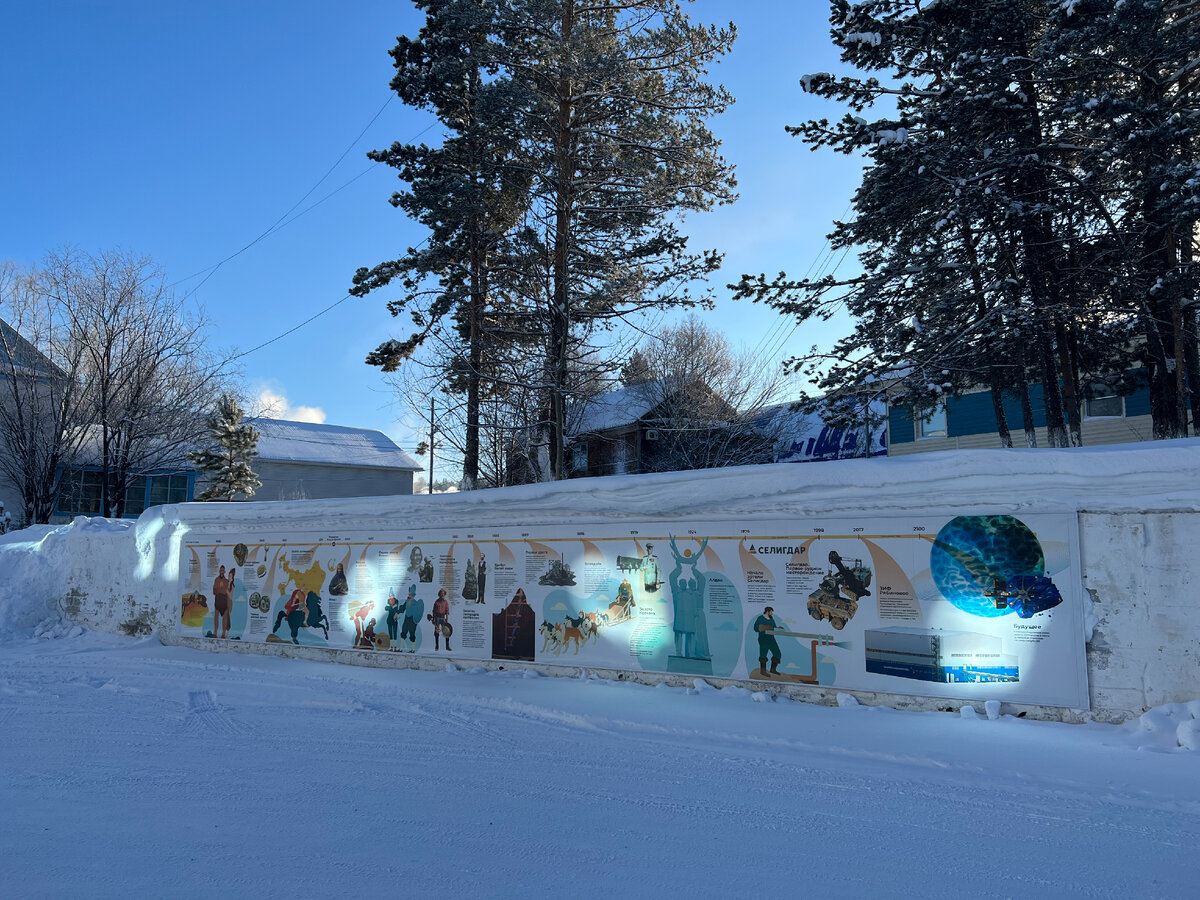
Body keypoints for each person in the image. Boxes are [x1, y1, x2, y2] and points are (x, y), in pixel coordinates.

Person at [753, 606, 783, 678]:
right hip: (763, 638)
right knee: (763, 654)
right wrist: (764, 627)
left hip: (771, 638)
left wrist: (777, 627)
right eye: (771, 612)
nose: (772, 613)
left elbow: (773, 626)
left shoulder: (771, 618)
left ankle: (773, 669)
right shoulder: (760, 618)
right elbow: (756, 628)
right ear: (767, 611)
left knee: (777, 653)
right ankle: (763, 671)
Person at [400, 585, 424, 653]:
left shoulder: (415, 603)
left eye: (409, 594)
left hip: (412, 620)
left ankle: (413, 649)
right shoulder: (407, 601)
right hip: (406, 618)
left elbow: (418, 610)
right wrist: (398, 612)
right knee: (403, 632)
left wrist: (415, 619)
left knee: (412, 634)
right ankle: (400, 648)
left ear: (412, 595)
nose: (408, 595)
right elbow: (403, 608)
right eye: (408, 593)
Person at [211, 566, 231, 639]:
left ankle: (223, 634)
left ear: (224, 571)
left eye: (223, 570)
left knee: (224, 618)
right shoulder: (216, 580)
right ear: (219, 571)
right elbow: (214, 591)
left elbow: (228, 591)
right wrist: (219, 591)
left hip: (224, 600)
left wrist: (223, 591)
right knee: (216, 617)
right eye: (221, 570)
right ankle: (215, 633)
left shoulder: (226, 581)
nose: (222, 571)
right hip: (218, 599)